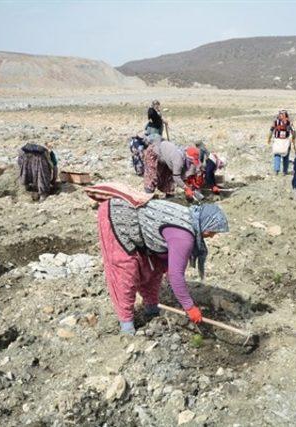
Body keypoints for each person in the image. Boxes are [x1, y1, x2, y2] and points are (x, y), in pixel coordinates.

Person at [97, 196, 229, 335]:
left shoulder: (193, 217)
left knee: (155, 268)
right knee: (125, 273)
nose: (212, 236)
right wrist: (189, 307)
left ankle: (152, 308)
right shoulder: (184, 237)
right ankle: (126, 325)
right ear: (205, 223)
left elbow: (169, 266)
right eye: (212, 231)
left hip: (142, 229)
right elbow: (175, 275)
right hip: (118, 218)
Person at [143, 135, 200, 200]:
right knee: (152, 174)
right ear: (188, 158)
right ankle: (148, 195)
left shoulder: (184, 156)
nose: (192, 163)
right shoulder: (178, 160)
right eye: (192, 161)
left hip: (165, 156)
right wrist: (186, 188)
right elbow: (176, 177)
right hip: (155, 151)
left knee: (167, 175)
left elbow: (182, 172)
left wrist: (188, 184)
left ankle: (168, 195)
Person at [267, 110, 296, 175]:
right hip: (285, 141)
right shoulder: (289, 123)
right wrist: (294, 138)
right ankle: (284, 171)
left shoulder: (275, 122)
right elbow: (293, 131)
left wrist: (269, 138)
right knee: (285, 156)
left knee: (277, 155)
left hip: (278, 141)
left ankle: (277, 170)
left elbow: (271, 130)